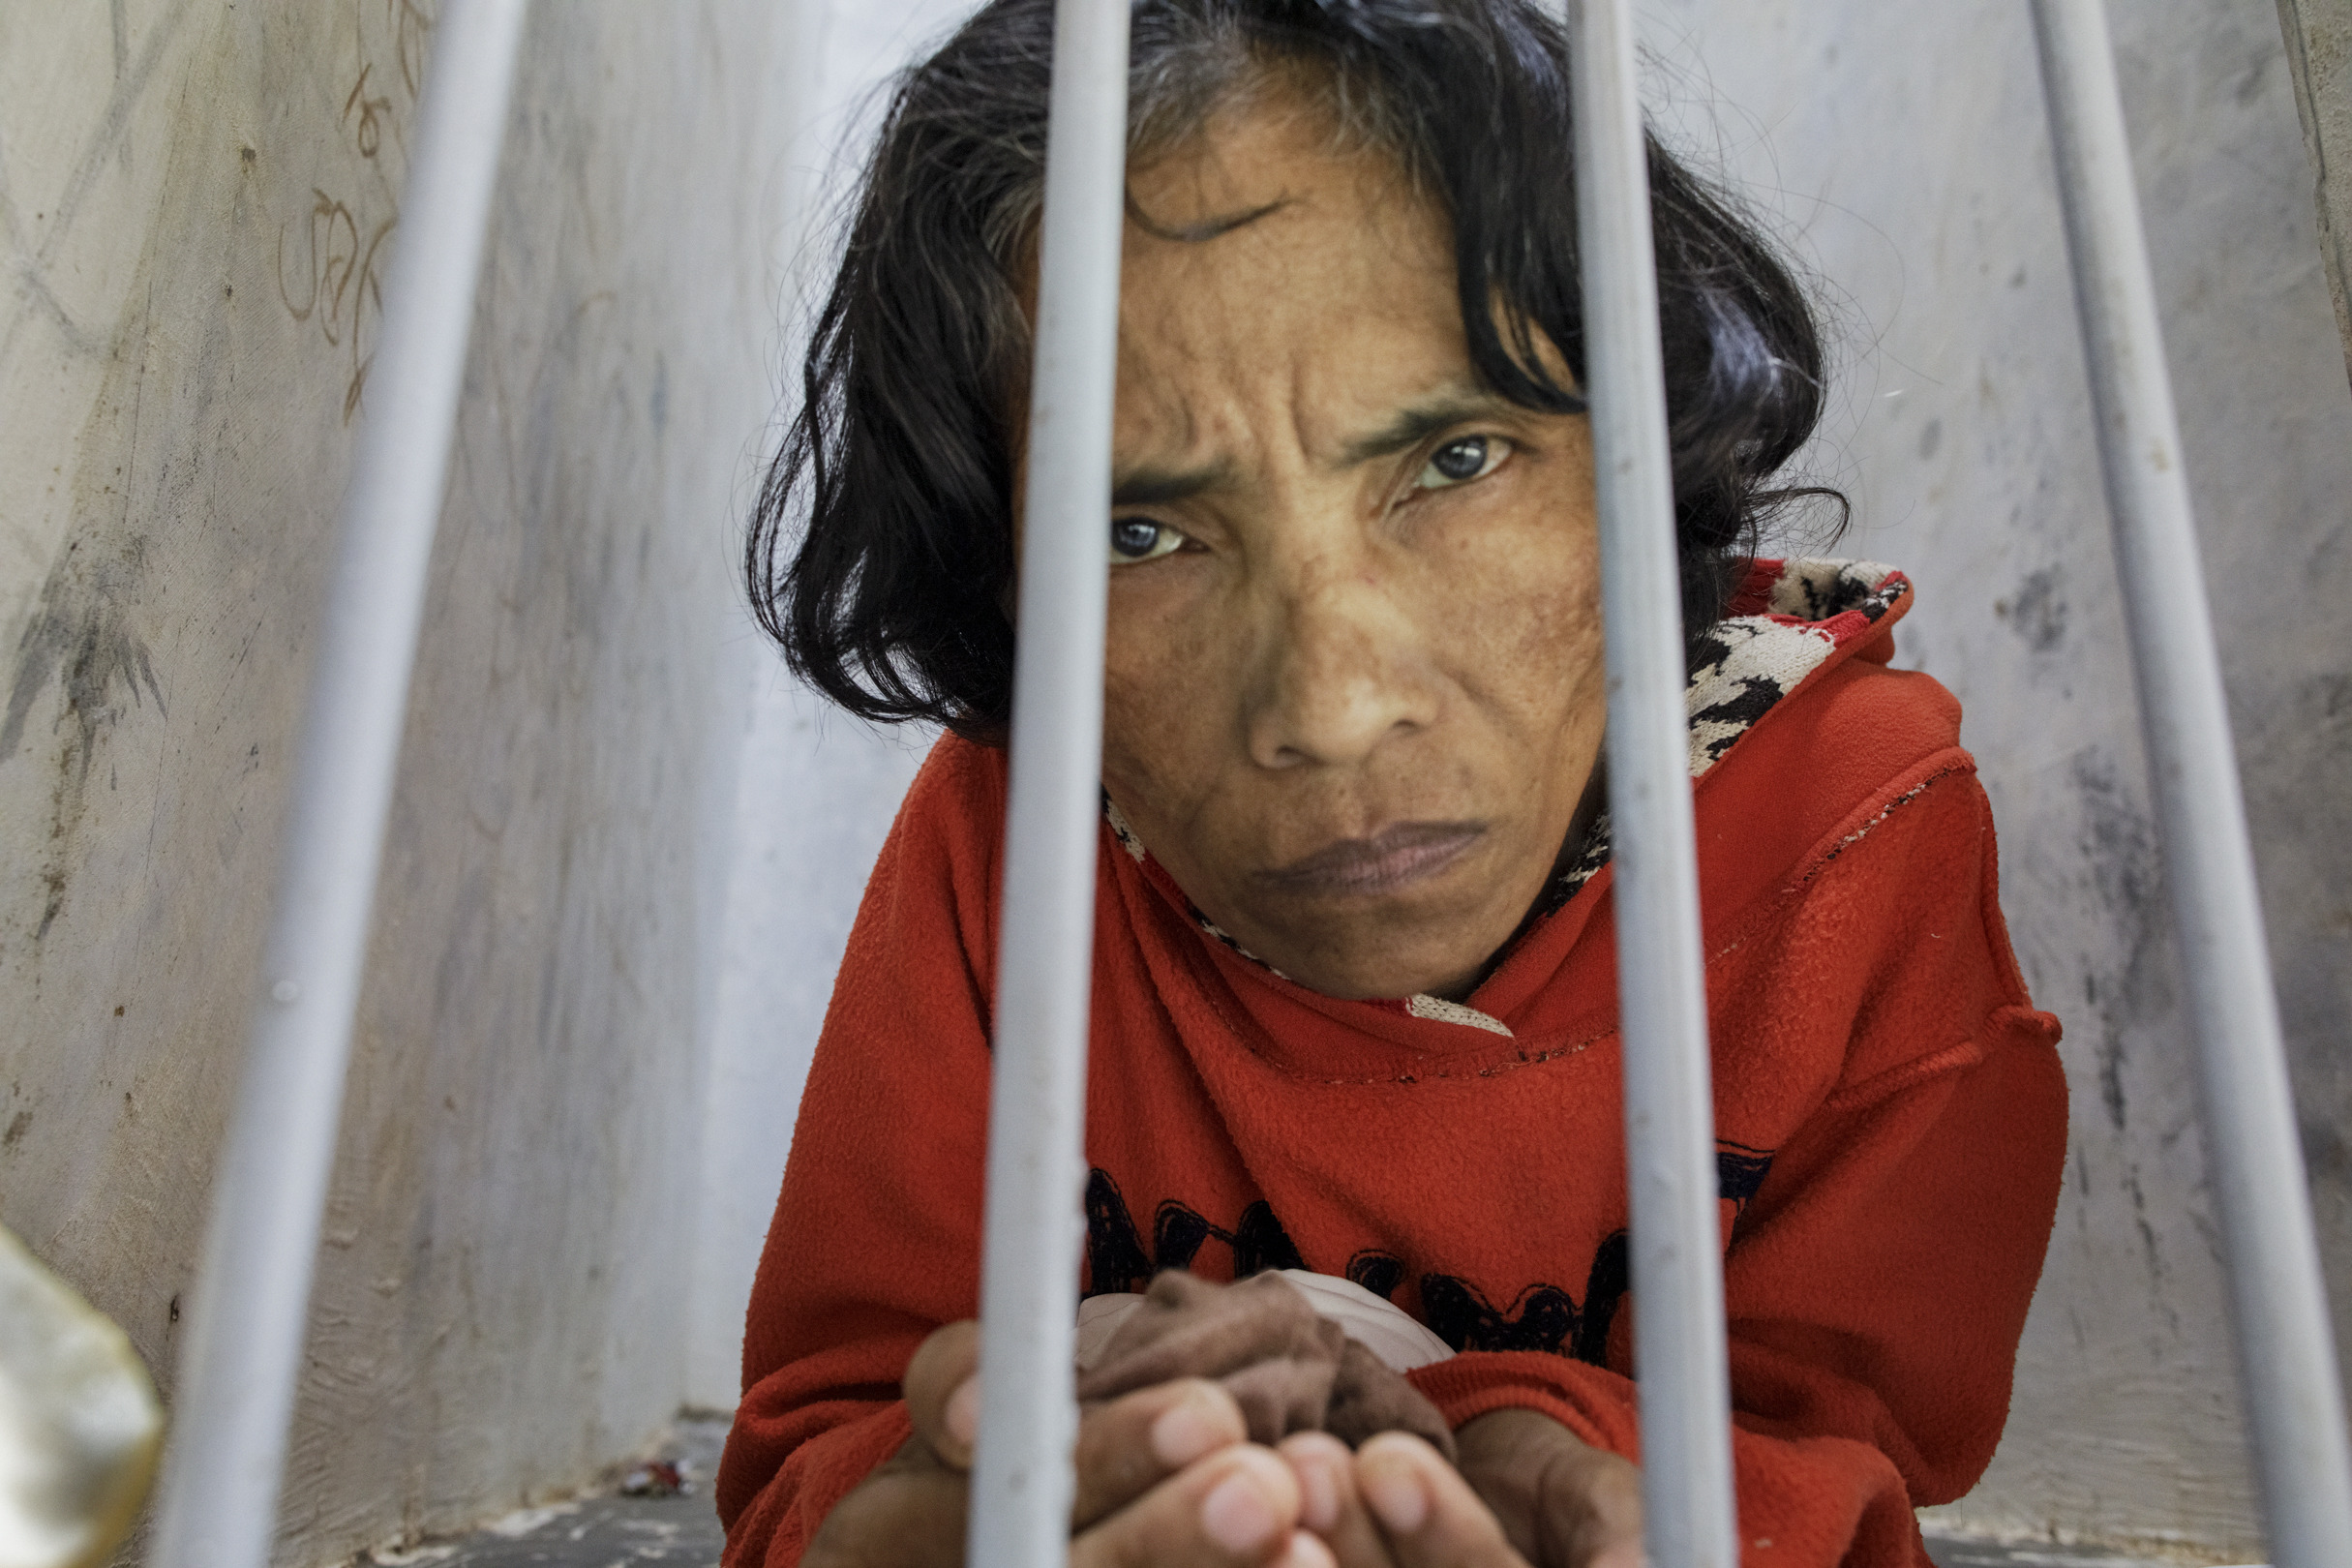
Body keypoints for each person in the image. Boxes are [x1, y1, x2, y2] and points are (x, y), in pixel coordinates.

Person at [714, 0, 2069, 1564]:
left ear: (1643, 444)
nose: (1335, 709)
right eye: (1137, 534)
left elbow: (1843, 1460)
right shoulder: (1008, 839)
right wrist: (945, 1505)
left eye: (1455, 460)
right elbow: (823, 1445)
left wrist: (1511, 1441)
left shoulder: (1857, 828)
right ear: (999, 581)